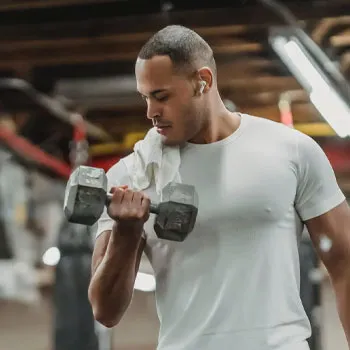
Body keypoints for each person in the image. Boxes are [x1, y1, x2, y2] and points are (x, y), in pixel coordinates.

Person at [88, 25, 350, 350]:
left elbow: (344, 262)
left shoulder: (291, 150)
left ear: (203, 81)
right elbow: (104, 310)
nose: (150, 112)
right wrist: (126, 234)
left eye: (162, 96)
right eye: (145, 97)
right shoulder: (131, 175)